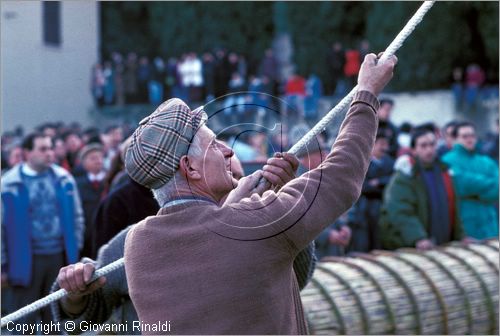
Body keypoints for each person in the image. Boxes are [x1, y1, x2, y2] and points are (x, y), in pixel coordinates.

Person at [119, 52, 396, 334]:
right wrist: (366, 94)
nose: (228, 150)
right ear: (190, 167)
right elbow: (342, 177)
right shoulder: (252, 224)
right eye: (214, 145)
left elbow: (220, 248)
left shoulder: (138, 243)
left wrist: (241, 205)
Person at [51, 155, 317, 334]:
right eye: (227, 174)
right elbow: (86, 314)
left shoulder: (259, 228)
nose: (240, 183)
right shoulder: (137, 243)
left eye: (240, 175)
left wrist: (284, 209)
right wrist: (75, 293)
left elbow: (298, 278)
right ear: (195, 177)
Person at [1, 132, 84, 325]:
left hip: (59, 258)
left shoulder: (64, 179)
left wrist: (74, 248)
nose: (49, 153)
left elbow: (77, 218)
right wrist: (2, 264)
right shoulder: (8, 185)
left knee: (55, 321)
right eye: (43, 149)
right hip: (24, 261)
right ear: (27, 153)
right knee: (23, 322)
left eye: (50, 148)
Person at [379, 127, 464, 250]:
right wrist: (418, 237)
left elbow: (454, 208)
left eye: (432, 144)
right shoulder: (405, 175)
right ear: (414, 150)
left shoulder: (444, 172)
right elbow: (400, 210)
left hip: (442, 243)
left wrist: (460, 236)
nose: (429, 149)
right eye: (423, 146)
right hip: (413, 247)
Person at [442, 121, 499, 240]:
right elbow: (460, 185)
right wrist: (488, 184)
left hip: (490, 224)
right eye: (464, 136)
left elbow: (497, 187)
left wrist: (476, 188)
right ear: (455, 139)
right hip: (466, 225)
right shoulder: (447, 161)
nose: (470, 139)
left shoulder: (486, 161)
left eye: (472, 135)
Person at [348, 132, 394, 252]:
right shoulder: (363, 162)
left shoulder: (390, 162)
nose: (384, 148)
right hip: (364, 210)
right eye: (381, 144)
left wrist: (378, 182)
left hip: (383, 209)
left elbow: (392, 182)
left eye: (386, 144)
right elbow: (363, 187)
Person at [75, 144, 106, 258]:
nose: (98, 161)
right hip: (87, 235)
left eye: (100, 157)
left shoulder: (110, 181)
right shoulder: (78, 185)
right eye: (93, 158)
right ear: (84, 163)